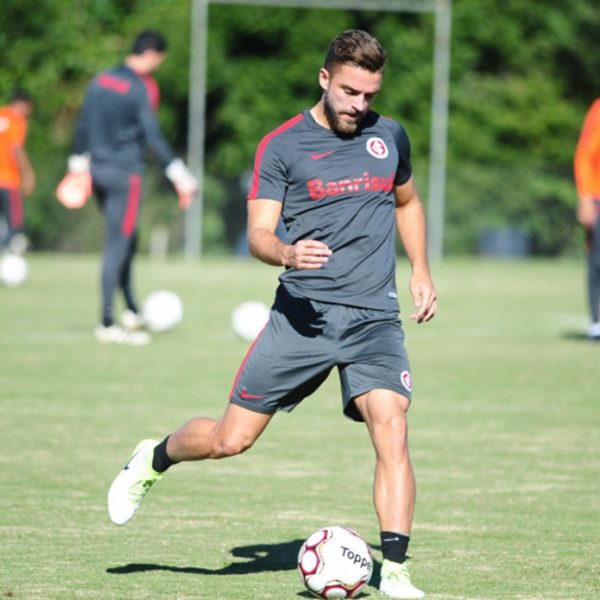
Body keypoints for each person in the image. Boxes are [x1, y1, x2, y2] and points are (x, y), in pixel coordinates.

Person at [107, 30, 437, 598]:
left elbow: (406, 202)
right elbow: (260, 233)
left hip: (373, 319)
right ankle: (153, 457)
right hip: (303, 318)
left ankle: (397, 572)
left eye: (371, 94)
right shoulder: (282, 145)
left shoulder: (390, 134)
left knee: (393, 428)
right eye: (351, 92)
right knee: (229, 440)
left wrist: (422, 269)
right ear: (325, 78)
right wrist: (286, 252)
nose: (361, 105)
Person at [62, 30, 197, 345]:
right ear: (152, 55)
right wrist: (179, 174)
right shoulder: (139, 88)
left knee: (127, 238)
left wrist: (75, 164)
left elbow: (82, 124)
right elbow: (152, 136)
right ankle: (108, 323)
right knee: (118, 244)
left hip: (95, 171)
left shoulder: (101, 80)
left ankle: (133, 310)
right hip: (125, 174)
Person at [574, 98, 600, 341]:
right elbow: (584, 155)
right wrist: (585, 197)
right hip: (598, 196)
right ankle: (597, 324)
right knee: (598, 261)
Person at [0, 90, 35, 254]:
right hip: (7, 180)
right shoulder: (16, 119)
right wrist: (28, 175)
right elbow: (16, 148)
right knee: (15, 224)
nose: (28, 113)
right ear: (23, 104)